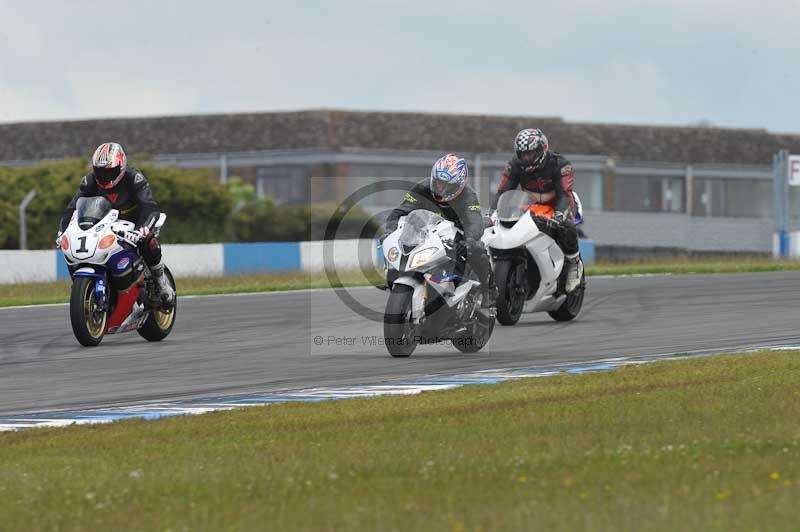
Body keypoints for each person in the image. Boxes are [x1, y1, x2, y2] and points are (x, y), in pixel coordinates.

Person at [58, 142, 175, 306]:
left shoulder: (134, 178)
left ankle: (161, 283)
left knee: (149, 242)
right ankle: (90, 289)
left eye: (109, 172)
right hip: (104, 225)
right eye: (99, 171)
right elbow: (72, 209)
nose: (104, 177)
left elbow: (149, 206)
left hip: (134, 224)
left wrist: (141, 230)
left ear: (121, 166)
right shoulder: (89, 181)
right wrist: (62, 231)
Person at [384, 154, 497, 307]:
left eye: (446, 186)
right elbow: (401, 211)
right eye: (437, 183)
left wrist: (469, 240)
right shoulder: (422, 188)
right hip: (428, 232)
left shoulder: (468, 196)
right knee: (400, 251)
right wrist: (390, 231)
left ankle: (489, 289)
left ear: (459, 185)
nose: (440, 189)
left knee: (477, 250)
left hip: (459, 234)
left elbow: (475, 222)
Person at [490, 128, 584, 293]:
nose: (526, 158)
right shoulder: (514, 165)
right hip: (531, 205)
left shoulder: (561, 165)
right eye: (523, 154)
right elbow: (502, 192)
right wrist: (492, 213)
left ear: (542, 149)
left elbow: (565, 195)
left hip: (558, 204)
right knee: (506, 224)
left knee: (566, 226)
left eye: (531, 153)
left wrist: (559, 214)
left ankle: (574, 264)